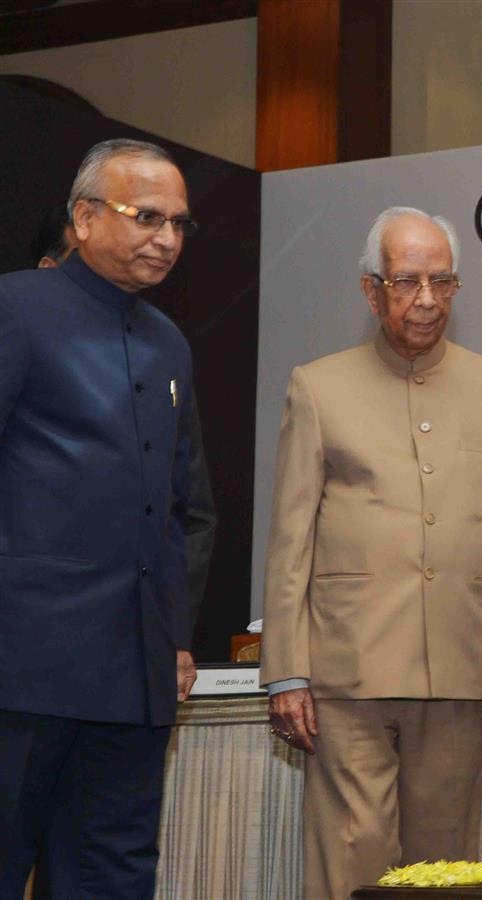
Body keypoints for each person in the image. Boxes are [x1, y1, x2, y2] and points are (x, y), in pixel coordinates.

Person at [260, 206, 482, 899]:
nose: (426, 299)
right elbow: (290, 537)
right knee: (351, 862)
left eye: (442, 281)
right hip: (346, 671)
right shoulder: (319, 385)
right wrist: (287, 673)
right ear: (371, 289)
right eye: (406, 282)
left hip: (464, 666)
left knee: (444, 870)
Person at [0, 138, 200, 898]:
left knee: (112, 878)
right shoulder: (16, 307)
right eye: (146, 216)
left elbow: (177, 507)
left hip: (133, 676)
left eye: (179, 224)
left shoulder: (168, 342)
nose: (167, 238)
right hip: (22, 666)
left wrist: (173, 638)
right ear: (83, 218)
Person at [27, 214, 217, 644]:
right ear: (47, 271)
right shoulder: (15, 336)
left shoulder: (161, 354)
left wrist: (172, 632)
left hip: (132, 633)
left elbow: (192, 514)